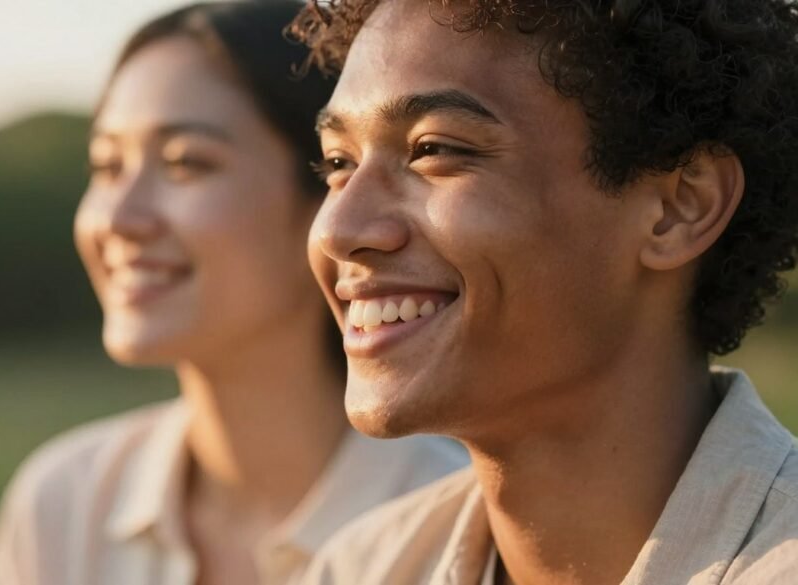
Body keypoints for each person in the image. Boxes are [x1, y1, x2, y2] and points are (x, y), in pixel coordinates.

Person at [289, 0, 798, 583]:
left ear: (680, 206)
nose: (336, 230)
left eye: (434, 150)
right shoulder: (362, 569)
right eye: (338, 162)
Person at [0, 2, 468, 585]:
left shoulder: (452, 529)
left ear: (328, 201)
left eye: (186, 163)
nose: (120, 219)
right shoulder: (67, 502)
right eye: (107, 166)